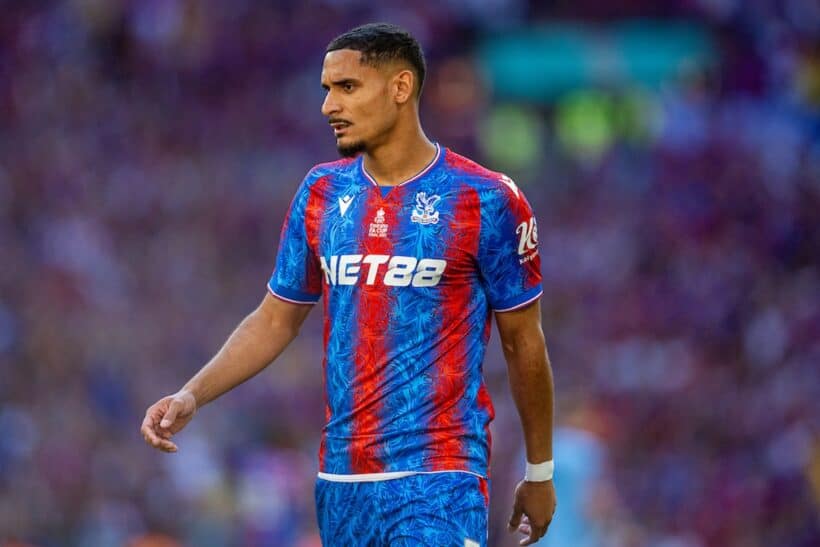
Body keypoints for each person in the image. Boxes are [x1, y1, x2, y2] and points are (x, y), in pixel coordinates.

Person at [141, 22, 556, 546]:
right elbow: (275, 318)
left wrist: (539, 471)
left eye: (347, 87)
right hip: (341, 484)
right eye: (326, 89)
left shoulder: (487, 199)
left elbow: (524, 343)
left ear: (400, 88)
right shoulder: (321, 193)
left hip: (439, 479)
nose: (328, 105)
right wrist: (191, 395)